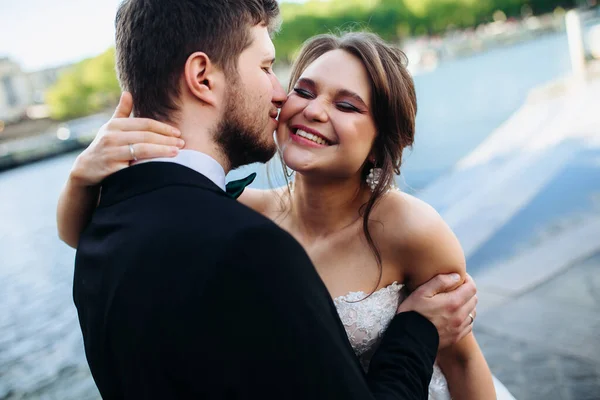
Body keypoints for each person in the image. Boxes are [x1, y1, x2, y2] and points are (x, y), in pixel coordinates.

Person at [60, 1, 480, 398]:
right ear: (202, 77)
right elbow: (101, 234)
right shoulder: (240, 223)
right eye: (302, 88)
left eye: (347, 105)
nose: (306, 107)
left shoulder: (411, 229)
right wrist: (81, 176)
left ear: (378, 144)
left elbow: (462, 364)